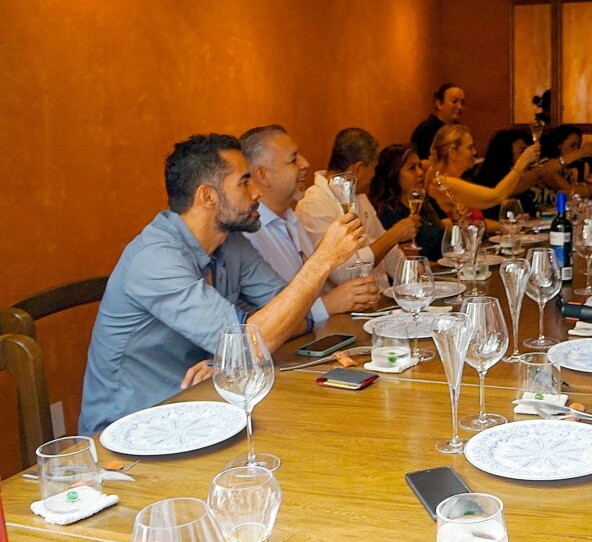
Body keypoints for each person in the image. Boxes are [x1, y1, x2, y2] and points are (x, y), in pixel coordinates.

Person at [79, 134, 364, 434]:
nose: (256, 192)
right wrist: (323, 260)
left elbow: (293, 311)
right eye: (244, 181)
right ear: (207, 196)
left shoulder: (231, 242)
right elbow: (256, 341)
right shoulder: (155, 259)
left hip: (201, 410)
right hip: (129, 432)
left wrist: (227, 360)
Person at [239, 125, 380, 319]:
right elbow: (269, 319)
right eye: (293, 159)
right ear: (263, 175)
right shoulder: (249, 233)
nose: (305, 163)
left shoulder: (290, 217)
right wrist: (330, 304)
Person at [296, 127, 417, 285]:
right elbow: (343, 273)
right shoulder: (313, 205)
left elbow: (388, 251)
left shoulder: (357, 196)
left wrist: (414, 280)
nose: (374, 176)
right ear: (358, 169)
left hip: (379, 297)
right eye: (373, 169)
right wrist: (394, 235)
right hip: (345, 308)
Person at [427, 124, 539, 226]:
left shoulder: (457, 179)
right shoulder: (442, 183)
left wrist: (508, 226)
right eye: (470, 148)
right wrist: (522, 162)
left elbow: (476, 222)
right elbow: (495, 196)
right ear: (452, 153)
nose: (474, 152)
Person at [370, 143, 447, 261]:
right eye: (412, 168)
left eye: (419, 166)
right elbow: (406, 259)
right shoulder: (387, 214)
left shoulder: (424, 202)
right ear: (394, 175)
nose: (421, 172)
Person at [410, 83, 465, 160]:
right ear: (439, 103)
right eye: (454, 101)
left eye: (462, 103)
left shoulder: (460, 129)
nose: (459, 107)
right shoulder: (425, 131)